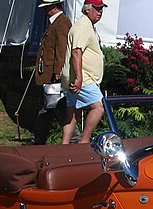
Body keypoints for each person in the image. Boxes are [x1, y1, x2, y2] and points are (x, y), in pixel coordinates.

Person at [61, 0, 106, 145]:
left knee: (73, 112)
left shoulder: (88, 26)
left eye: (101, 9)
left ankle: (64, 145)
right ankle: (84, 142)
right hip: (84, 78)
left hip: (78, 77)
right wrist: (79, 78)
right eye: (97, 8)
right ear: (87, 9)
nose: (100, 12)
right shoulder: (82, 26)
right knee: (98, 108)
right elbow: (76, 52)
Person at [32, 0, 71, 145]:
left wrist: (58, 72)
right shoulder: (55, 22)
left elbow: (62, 49)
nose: (45, 10)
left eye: (46, 7)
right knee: (49, 108)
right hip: (49, 75)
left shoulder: (62, 23)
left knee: (58, 108)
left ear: (53, 7)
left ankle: (74, 139)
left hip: (54, 76)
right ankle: (39, 139)